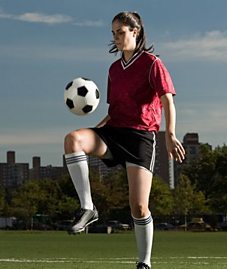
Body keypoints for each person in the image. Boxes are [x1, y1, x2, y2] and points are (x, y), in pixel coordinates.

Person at [63, 11, 185, 269]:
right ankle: (88, 208)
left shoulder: (152, 63)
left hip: (141, 137)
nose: (116, 38)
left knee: (139, 207)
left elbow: (167, 101)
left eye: (121, 32)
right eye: (113, 33)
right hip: (115, 131)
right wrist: (99, 128)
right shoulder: (114, 69)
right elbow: (116, 108)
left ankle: (145, 262)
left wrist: (170, 134)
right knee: (73, 139)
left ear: (135, 31)